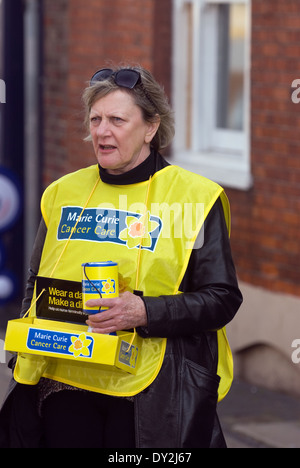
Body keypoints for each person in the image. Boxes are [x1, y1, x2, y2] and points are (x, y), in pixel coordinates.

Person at [0, 65, 243, 448]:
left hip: (147, 391)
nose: (101, 131)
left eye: (116, 119)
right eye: (95, 119)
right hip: (63, 381)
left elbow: (222, 297)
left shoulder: (194, 199)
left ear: (150, 128)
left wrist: (145, 312)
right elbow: (35, 280)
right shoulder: (64, 192)